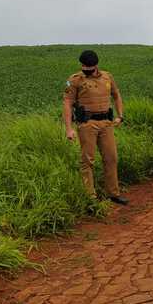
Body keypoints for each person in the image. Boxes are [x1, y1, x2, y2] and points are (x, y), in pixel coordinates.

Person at [63, 50, 129, 205]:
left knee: (111, 158)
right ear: (81, 65)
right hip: (87, 124)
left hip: (106, 122)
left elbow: (116, 94)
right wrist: (69, 128)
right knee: (87, 160)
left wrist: (120, 115)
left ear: (96, 65)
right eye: (84, 67)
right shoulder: (74, 80)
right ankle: (90, 197)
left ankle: (113, 193)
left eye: (90, 67)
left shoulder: (107, 76)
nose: (87, 69)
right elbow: (67, 103)